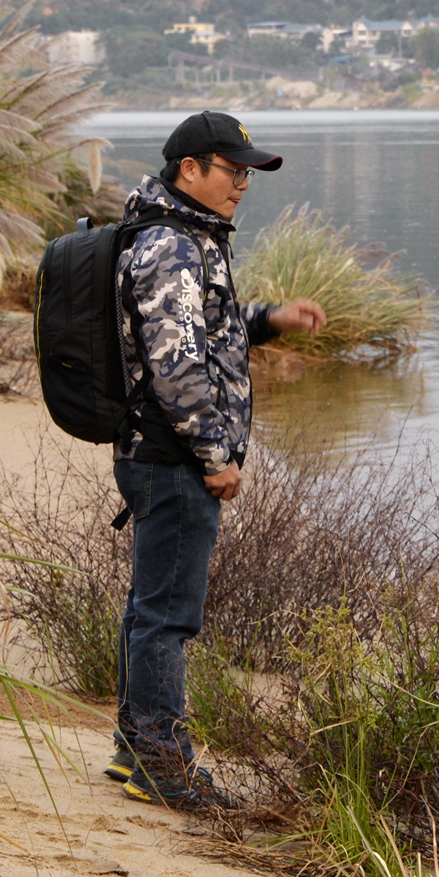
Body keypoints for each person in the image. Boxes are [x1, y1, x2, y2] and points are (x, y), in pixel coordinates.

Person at [108, 110, 326, 809]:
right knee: (169, 616)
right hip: (172, 457)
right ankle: (163, 769)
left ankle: (133, 751)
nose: (243, 184)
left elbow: (210, 329)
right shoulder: (170, 244)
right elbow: (177, 366)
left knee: (151, 609)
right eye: (234, 171)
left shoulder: (183, 237)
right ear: (190, 170)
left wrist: (271, 320)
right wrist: (213, 456)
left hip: (157, 452)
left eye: (248, 174)